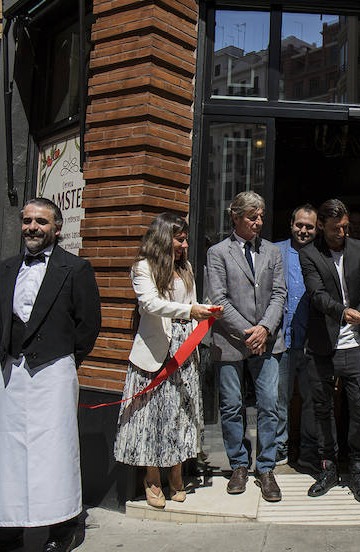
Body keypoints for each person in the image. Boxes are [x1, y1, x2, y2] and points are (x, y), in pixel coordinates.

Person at [0, 198, 101, 552]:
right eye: (27, 221)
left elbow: (89, 326)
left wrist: (62, 359)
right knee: (10, 448)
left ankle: (62, 528)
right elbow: (4, 319)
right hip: (12, 370)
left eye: (41, 221)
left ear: (57, 228)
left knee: (55, 449)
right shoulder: (4, 268)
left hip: (53, 369)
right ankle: (9, 528)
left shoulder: (76, 268)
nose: (32, 227)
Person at [113, 214, 222, 508]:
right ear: (163, 238)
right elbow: (149, 304)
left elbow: (192, 304)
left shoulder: (185, 269)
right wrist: (190, 312)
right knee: (151, 418)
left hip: (185, 353)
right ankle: (152, 478)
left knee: (179, 416)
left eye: (185, 239)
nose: (185, 244)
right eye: (180, 239)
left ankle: (176, 472)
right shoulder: (142, 267)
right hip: (155, 353)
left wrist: (206, 312)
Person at [206, 191, 287, 502]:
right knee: (231, 405)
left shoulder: (273, 251)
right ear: (235, 218)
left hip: (268, 341)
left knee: (269, 405)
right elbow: (218, 298)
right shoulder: (218, 253)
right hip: (230, 341)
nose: (259, 222)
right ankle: (239, 463)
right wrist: (247, 332)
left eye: (261, 216)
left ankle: (265, 468)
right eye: (253, 217)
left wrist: (264, 328)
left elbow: (279, 294)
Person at [299, 199, 360, 503]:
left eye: (345, 227)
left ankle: (358, 469)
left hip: (355, 345)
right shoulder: (309, 254)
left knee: (359, 408)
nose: (342, 232)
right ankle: (328, 467)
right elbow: (316, 294)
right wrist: (342, 311)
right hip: (323, 345)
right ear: (321, 227)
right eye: (335, 229)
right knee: (322, 408)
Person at [275, 204, 320, 469]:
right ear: (291, 224)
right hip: (281, 339)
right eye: (299, 225)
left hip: (312, 342)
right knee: (278, 399)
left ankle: (308, 452)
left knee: (312, 401)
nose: (303, 230)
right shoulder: (273, 251)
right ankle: (279, 450)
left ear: (317, 229)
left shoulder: (321, 254)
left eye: (309, 226)